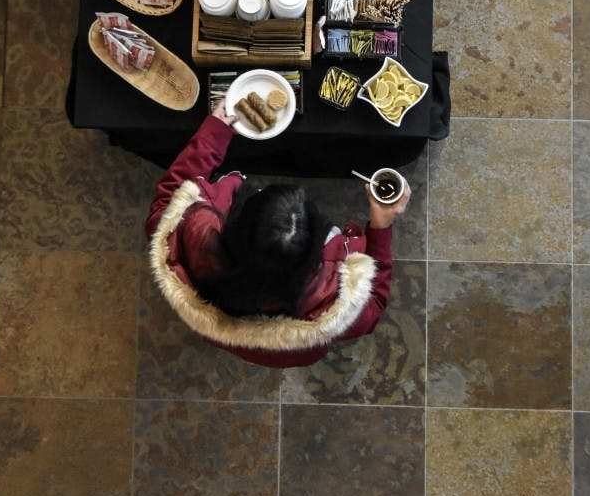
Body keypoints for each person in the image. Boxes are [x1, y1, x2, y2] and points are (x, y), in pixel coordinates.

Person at [146, 100, 411, 368]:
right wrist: (381, 228)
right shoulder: (334, 300)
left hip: (219, 328)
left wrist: (214, 134)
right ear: (315, 249)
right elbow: (373, 305)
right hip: (291, 350)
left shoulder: (190, 236)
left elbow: (170, 197)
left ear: (239, 221)